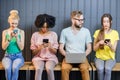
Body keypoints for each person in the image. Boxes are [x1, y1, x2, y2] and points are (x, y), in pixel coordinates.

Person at [59, 10, 92, 80]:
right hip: (69, 56)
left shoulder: (86, 31)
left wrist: (83, 55)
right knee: (64, 69)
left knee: (85, 69)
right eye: (79, 20)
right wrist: (67, 55)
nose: (82, 22)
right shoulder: (64, 31)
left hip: (82, 57)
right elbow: (61, 48)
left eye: (83, 20)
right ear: (72, 20)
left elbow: (89, 48)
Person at [30, 14, 59, 80]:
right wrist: (40, 48)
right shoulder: (35, 35)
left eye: (47, 27)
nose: (45, 29)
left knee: (49, 69)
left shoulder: (53, 34)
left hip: (51, 58)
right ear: (39, 25)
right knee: (38, 69)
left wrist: (50, 47)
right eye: (43, 27)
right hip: (38, 57)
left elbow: (55, 52)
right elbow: (34, 53)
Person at [93, 13, 119, 80]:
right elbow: (94, 49)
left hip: (110, 58)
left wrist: (110, 45)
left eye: (107, 21)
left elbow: (114, 50)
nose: (106, 24)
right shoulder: (97, 32)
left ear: (111, 22)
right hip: (99, 58)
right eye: (104, 22)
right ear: (102, 22)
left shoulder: (115, 33)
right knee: (100, 69)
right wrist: (99, 43)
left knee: (107, 69)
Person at [2, 10, 25, 80]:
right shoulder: (5, 32)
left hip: (18, 57)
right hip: (7, 56)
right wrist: (10, 38)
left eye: (16, 24)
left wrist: (17, 38)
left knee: (14, 67)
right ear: (9, 21)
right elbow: (3, 47)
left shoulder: (21, 32)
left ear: (18, 22)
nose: (14, 26)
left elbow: (21, 48)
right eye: (12, 23)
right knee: (8, 68)